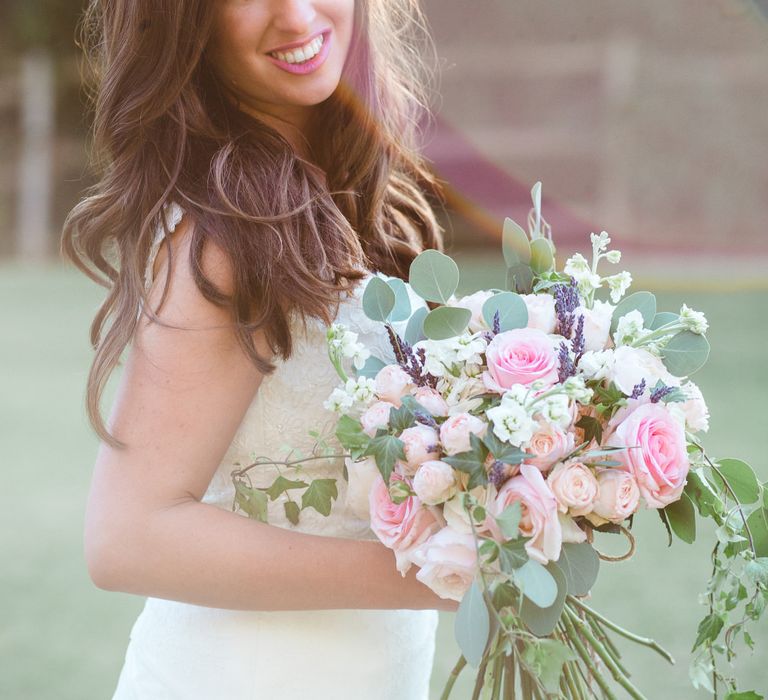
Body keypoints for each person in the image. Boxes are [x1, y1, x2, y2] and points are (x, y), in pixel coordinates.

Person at [61, 1, 458, 698]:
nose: (297, 14)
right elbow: (128, 536)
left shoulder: (366, 200)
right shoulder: (224, 237)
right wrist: (446, 570)